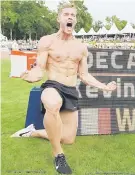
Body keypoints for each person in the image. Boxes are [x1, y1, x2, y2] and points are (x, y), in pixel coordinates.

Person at [11, 3, 117, 174]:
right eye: (66, 14)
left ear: (75, 21)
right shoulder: (47, 41)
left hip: (70, 90)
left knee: (68, 139)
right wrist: (30, 76)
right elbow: (39, 69)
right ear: (59, 19)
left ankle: (33, 132)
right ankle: (58, 156)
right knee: (52, 103)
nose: (70, 17)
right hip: (53, 86)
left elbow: (84, 75)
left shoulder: (81, 47)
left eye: (73, 15)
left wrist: (104, 86)